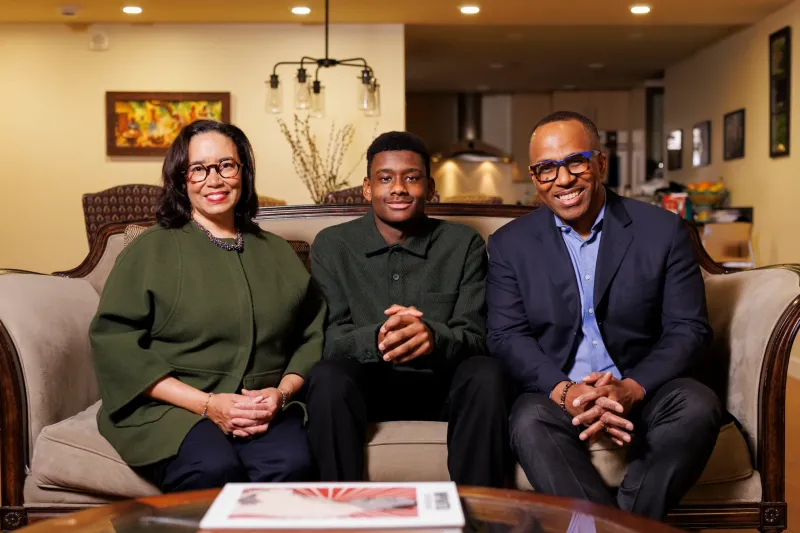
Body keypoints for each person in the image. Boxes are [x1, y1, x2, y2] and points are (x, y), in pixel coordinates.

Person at [486, 111, 722, 519]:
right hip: (555, 394)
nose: (562, 180)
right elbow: (506, 335)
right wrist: (566, 391)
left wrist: (630, 388)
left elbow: (689, 329)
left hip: (641, 384)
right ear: (533, 176)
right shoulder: (510, 244)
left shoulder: (664, 231)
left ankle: (616, 527)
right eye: (546, 169)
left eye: (575, 162)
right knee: (527, 421)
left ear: (600, 163)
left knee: (697, 406)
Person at [89, 119, 326, 492]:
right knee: (211, 468)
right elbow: (115, 343)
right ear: (181, 180)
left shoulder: (279, 252)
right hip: (172, 407)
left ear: (243, 172)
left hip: (261, 408)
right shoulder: (149, 250)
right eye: (198, 169)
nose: (213, 180)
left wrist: (281, 392)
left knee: (291, 466)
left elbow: (313, 333)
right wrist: (207, 404)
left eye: (226, 165)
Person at [305, 131, 509, 487]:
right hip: (365, 389)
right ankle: (336, 515)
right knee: (327, 376)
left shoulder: (464, 244)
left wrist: (433, 336)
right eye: (385, 178)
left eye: (411, 178)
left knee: (486, 373)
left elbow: (477, 339)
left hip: (443, 388)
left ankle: (481, 516)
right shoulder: (332, 245)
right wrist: (378, 336)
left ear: (430, 188)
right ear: (367, 188)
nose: (398, 188)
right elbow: (329, 341)